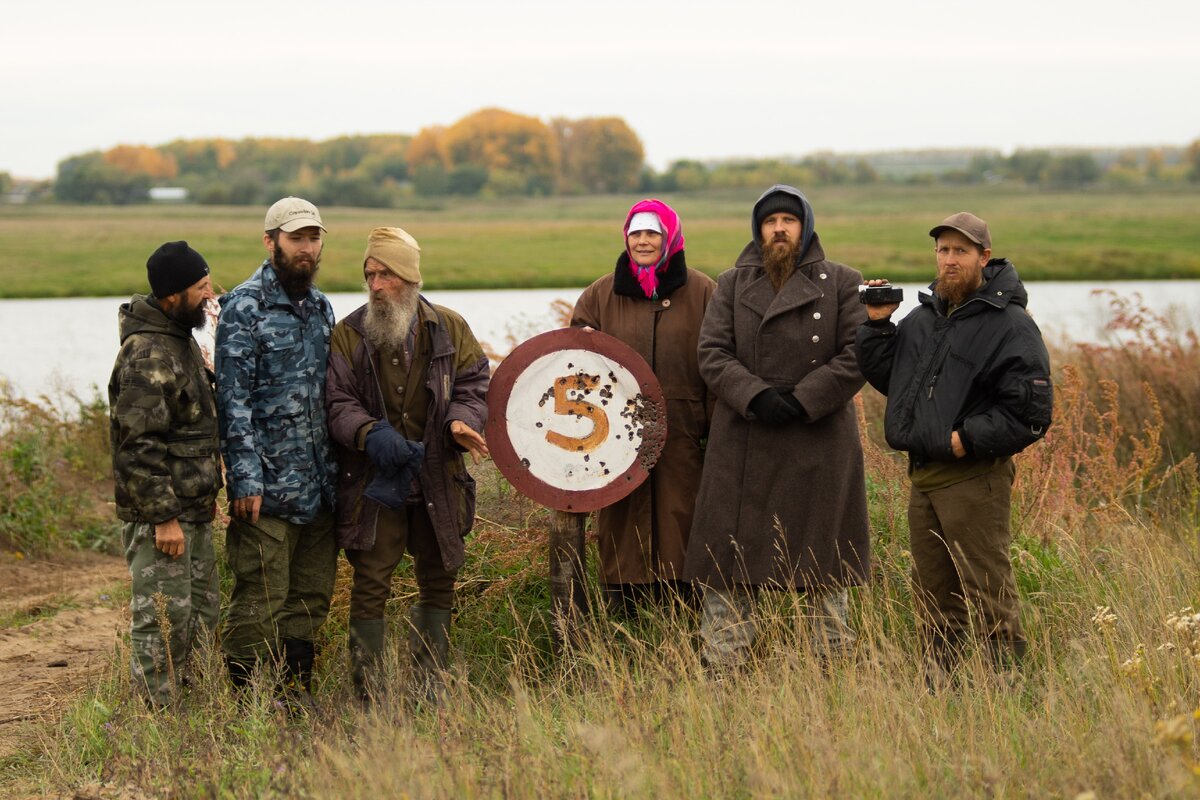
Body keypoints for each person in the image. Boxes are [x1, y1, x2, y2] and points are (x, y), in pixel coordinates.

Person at [856, 212, 1052, 677]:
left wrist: (966, 440)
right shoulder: (925, 318)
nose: (949, 260)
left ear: (984, 257)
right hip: (924, 476)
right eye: (943, 250)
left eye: (960, 252)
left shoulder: (1011, 326)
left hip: (974, 476)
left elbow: (1031, 412)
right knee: (933, 595)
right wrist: (880, 327)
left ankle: (1006, 695)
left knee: (988, 591)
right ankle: (940, 690)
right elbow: (897, 382)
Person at [683, 184, 870, 668]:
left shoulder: (843, 282)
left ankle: (831, 665)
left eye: (789, 220)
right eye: (771, 222)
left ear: (805, 227)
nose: (780, 229)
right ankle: (723, 663)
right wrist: (758, 395)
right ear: (758, 229)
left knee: (824, 564)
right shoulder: (731, 283)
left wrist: (806, 398)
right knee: (731, 560)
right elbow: (712, 353)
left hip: (820, 438)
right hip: (746, 437)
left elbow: (857, 355)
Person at [325, 226, 489, 704]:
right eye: (370, 274)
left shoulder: (451, 328)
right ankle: (369, 697)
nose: (376, 285)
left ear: (410, 278)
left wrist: (460, 421)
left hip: (439, 475)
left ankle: (428, 691)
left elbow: (475, 385)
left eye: (387, 274)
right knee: (371, 581)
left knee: (439, 579)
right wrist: (369, 433)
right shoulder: (349, 333)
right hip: (375, 483)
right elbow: (336, 400)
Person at [215, 197, 338, 702]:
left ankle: (294, 693)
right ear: (271, 243)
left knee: (309, 596)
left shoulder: (322, 306)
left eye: (313, 239)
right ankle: (249, 703)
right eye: (296, 239)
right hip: (265, 487)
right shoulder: (243, 307)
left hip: (320, 484)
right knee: (260, 597)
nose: (306, 249)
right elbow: (233, 400)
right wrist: (244, 479)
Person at [571, 199, 715, 615]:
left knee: (682, 524)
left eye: (653, 232)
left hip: (685, 437)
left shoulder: (704, 292)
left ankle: (683, 620)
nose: (644, 241)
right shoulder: (600, 295)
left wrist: (712, 428)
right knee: (622, 528)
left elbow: (719, 363)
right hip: (615, 440)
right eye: (636, 233)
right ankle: (625, 621)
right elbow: (575, 366)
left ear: (670, 237)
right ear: (626, 238)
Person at [109, 240, 221, 707]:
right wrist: (163, 519)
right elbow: (137, 447)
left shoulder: (179, 339)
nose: (212, 292)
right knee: (162, 625)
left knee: (199, 619)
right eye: (201, 286)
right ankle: (158, 722)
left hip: (193, 513)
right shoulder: (148, 354)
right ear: (172, 296)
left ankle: (193, 715)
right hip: (166, 521)